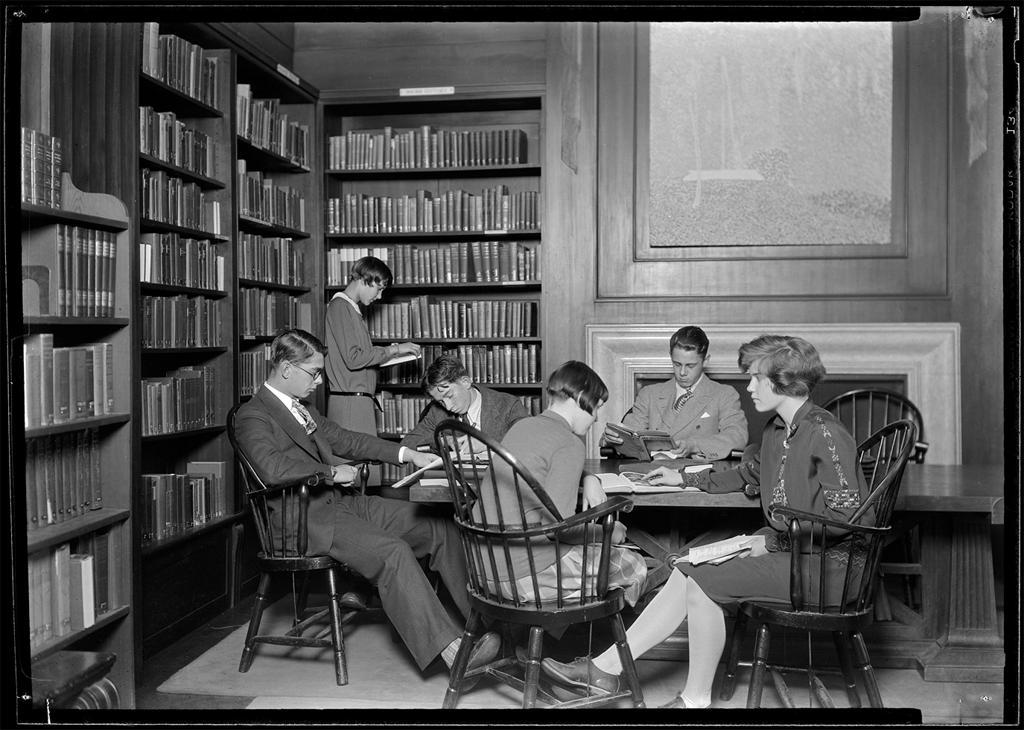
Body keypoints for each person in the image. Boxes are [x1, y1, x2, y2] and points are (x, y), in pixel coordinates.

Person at [542, 335, 871, 708]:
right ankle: (605, 669)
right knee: (685, 566)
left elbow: (848, 520)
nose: (748, 387)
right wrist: (681, 477)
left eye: (755, 378)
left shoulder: (825, 432)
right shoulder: (778, 430)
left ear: (783, 381)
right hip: (792, 551)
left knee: (701, 582)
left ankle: (694, 698)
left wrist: (775, 543)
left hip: (829, 569)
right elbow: (746, 474)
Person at [234, 329, 499, 677]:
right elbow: (272, 468)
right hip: (306, 519)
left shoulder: (301, 408)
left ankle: (481, 627)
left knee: (438, 525)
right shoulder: (253, 415)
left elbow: (347, 439)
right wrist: (330, 471)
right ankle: (454, 655)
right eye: (313, 372)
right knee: (393, 552)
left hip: (341, 505)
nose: (318, 380)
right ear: (286, 368)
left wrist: (407, 455)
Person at [486, 361, 647, 606]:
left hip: (486, 571)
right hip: (526, 574)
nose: (596, 419)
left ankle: (549, 635)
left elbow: (540, 468)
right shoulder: (570, 443)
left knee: (589, 567)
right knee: (636, 565)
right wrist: (608, 533)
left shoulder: (522, 426)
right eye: (597, 407)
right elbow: (557, 530)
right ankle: (609, 643)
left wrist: (587, 476)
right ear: (581, 397)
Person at [601, 325, 748, 460]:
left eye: (690, 365)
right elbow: (630, 432)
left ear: (706, 361)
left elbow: (737, 437)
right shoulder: (650, 394)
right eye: (677, 364)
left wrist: (693, 446)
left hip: (696, 476)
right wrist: (612, 438)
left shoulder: (724, 394)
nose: (682, 372)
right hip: (648, 474)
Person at [324, 255, 420, 435]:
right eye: (379, 289)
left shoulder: (350, 308)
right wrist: (395, 349)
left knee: (365, 460)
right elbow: (354, 359)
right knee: (357, 460)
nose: (380, 296)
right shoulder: (340, 307)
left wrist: (389, 356)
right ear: (363, 279)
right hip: (350, 404)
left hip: (357, 401)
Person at [399, 353, 528, 454]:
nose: (448, 407)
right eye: (440, 401)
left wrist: (488, 444)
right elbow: (407, 444)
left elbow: (529, 440)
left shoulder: (508, 405)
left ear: (466, 382)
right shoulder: (437, 411)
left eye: (449, 396)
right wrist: (443, 441)